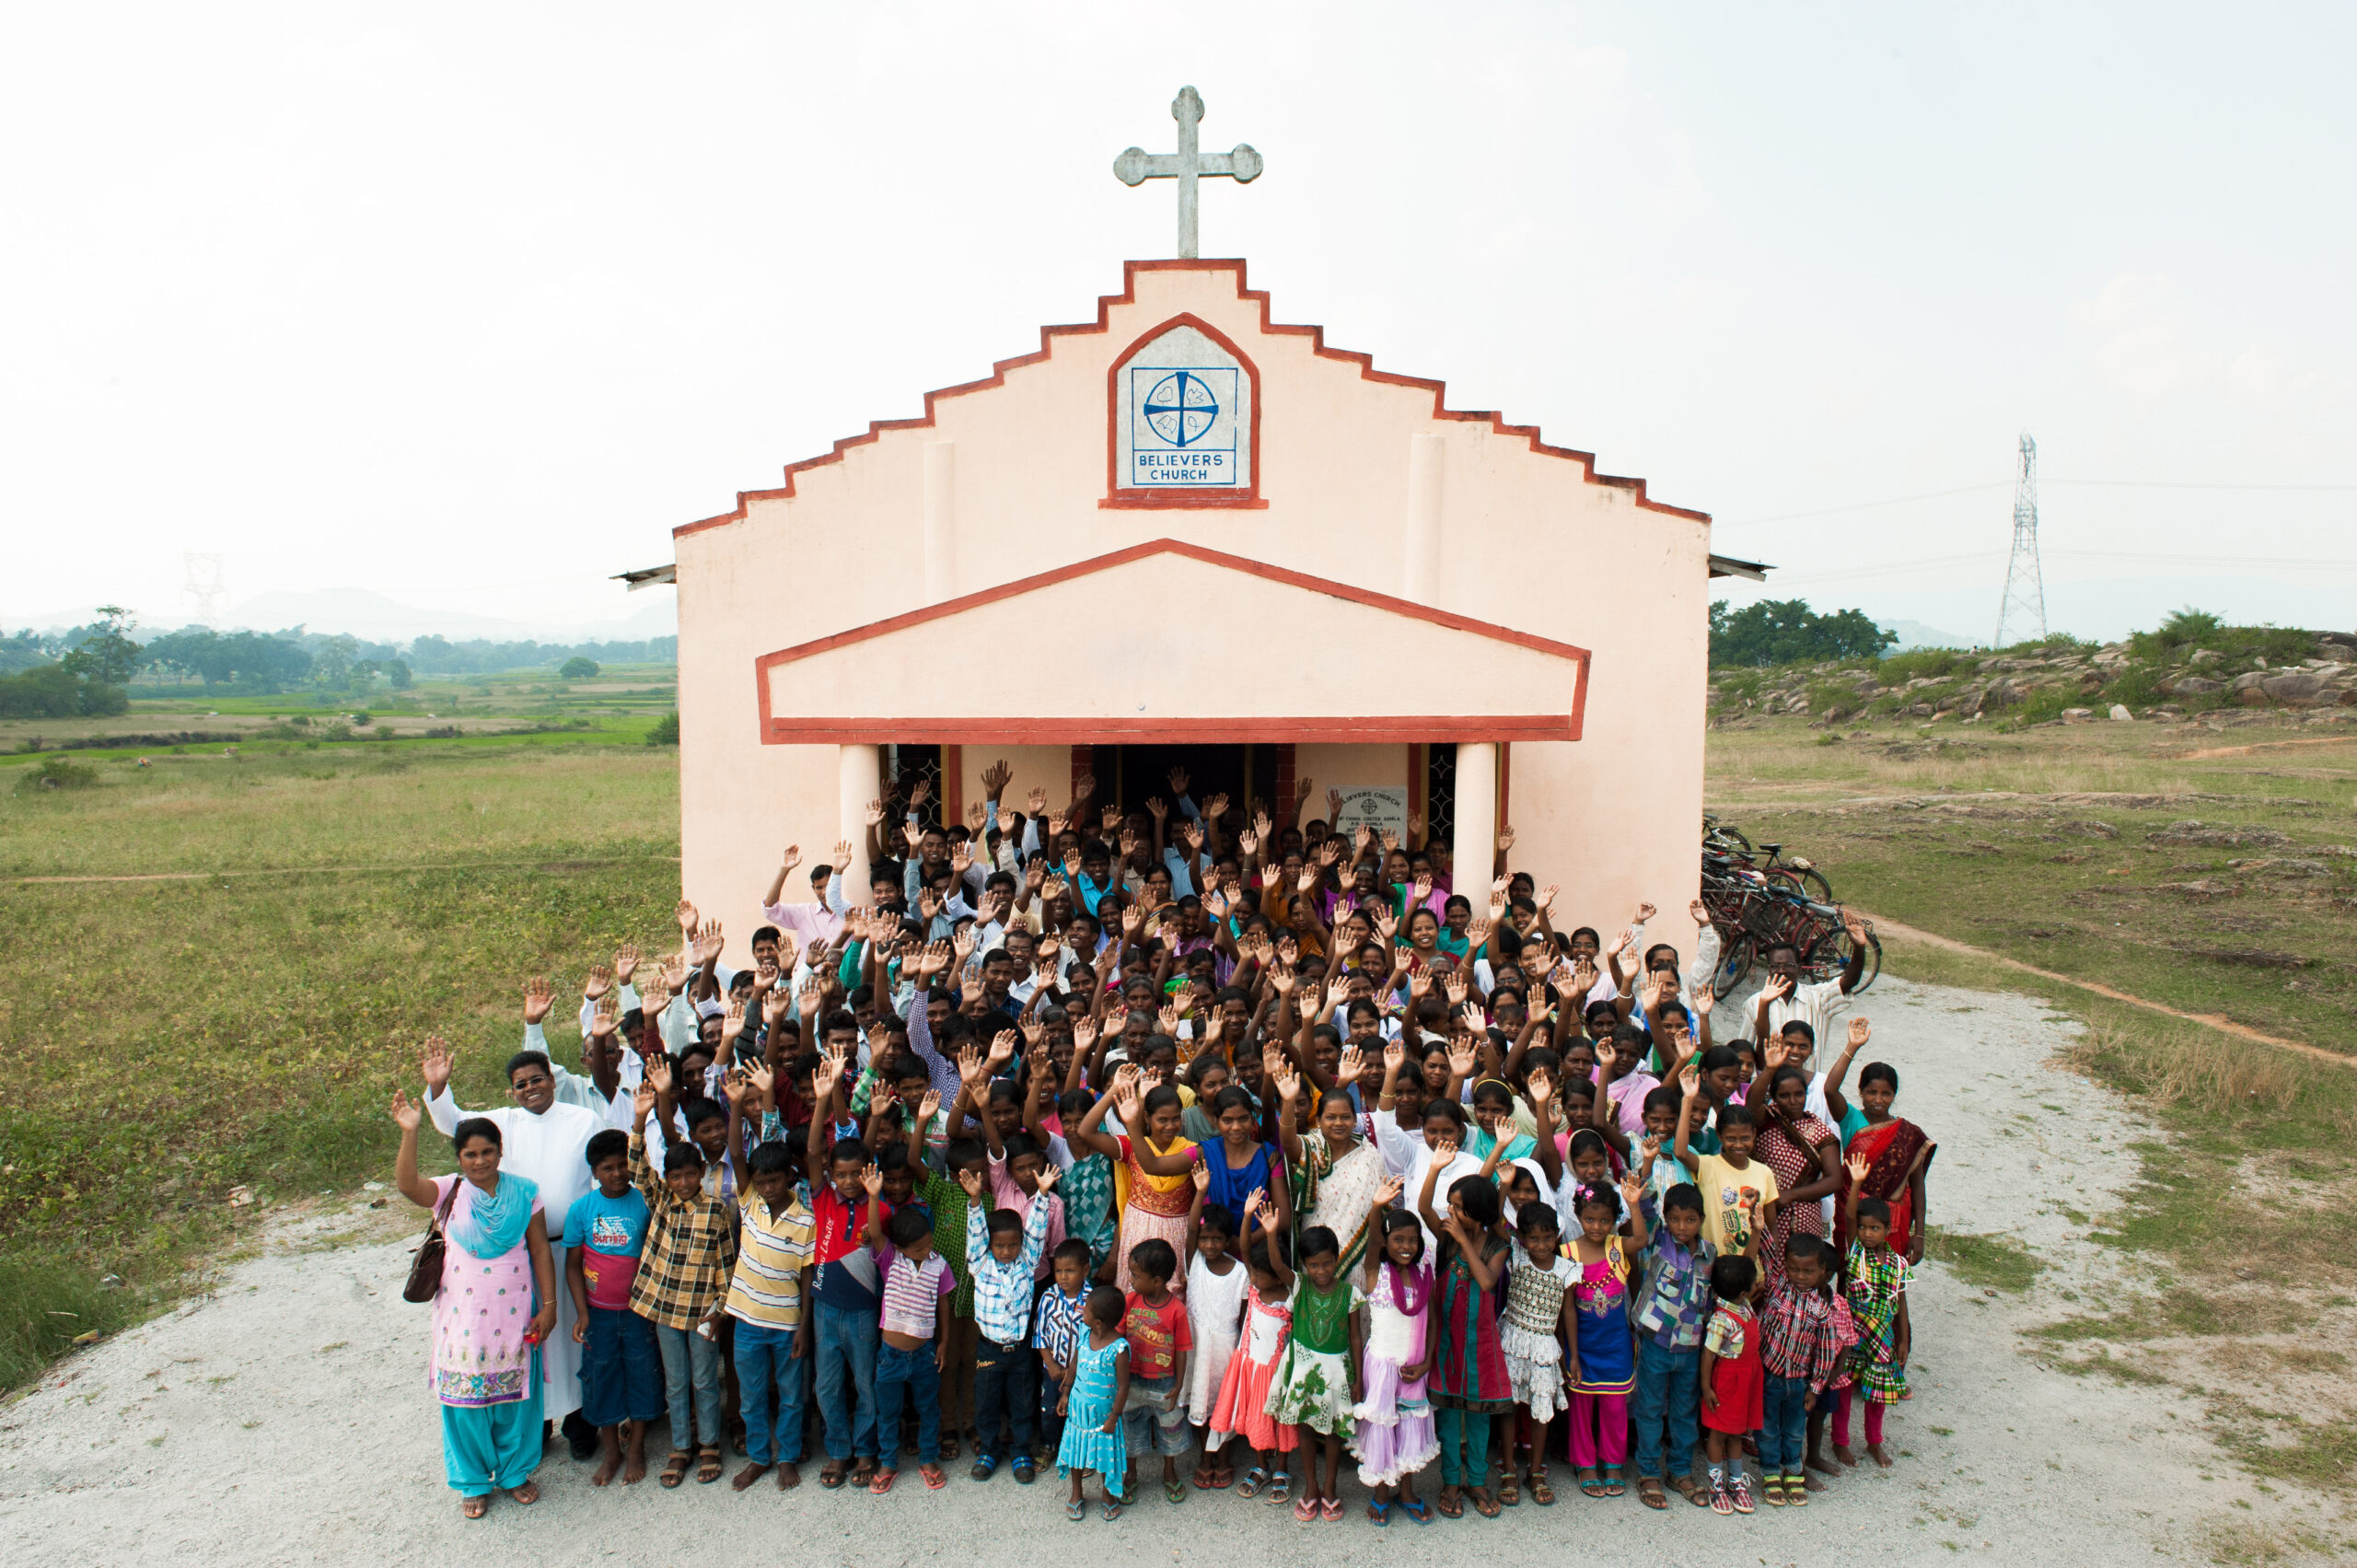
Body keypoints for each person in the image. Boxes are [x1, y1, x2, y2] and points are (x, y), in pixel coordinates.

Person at [422, 1037, 608, 1458]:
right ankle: (537, 1423)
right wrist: (437, 1086)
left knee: (577, 1338)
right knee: (533, 1337)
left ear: (552, 1080)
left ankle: (581, 1424)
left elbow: (603, 1172)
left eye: (537, 1079)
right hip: (526, 1256)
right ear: (512, 1091)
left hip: (575, 1249)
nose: (530, 1089)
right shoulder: (503, 1122)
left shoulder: (583, 1119)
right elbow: (454, 1123)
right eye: (520, 1084)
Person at [390, 1090, 554, 1518]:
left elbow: (539, 1251)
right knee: (464, 1402)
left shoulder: (525, 1192)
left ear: (501, 1152)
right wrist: (410, 1133)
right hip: (461, 1322)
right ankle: (472, 1480)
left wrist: (550, 1304)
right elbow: (408, 1186)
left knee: (516, 1400)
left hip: (516, 1312)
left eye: (487, 1152)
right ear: (459, 1158)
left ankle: (516, 1474)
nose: (480, 1161)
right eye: (470, 1154)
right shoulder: (450, 1191)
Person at [626, 1076, 737, 1487]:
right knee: (676, 1382)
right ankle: (680, 1446)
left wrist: (719, 1311)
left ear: (700, 1174)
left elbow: (725, 1266)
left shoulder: (715, 1211)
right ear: (668, 1178)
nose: (684, 1183)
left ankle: (709, 1444)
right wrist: (639, 1121)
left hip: (702, 1309)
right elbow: (638, 1168)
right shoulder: (660, 1200)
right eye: (677, 1177)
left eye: (691, 1175)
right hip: (663, 1307)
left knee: (705, 1379)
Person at [718, 1070, 814, 1492]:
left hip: (787, 1323)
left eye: (775, 1180)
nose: (768, 1187)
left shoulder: (806, 1219)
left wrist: (803, 1329)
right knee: (752, 1397)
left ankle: (788, 1457)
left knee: (793, 1396)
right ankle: (760, 1456)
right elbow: (737, 1155)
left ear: (790, 1178)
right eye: (762, 1182)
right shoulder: (751, 1201)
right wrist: (736, 1102)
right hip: (747, 1322)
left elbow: (808, 1280)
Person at [562, 1128, 662, 1487]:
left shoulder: (644, 1203)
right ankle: (611, 1451)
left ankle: (635, 1447)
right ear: (594, 1172)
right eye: (607, 1168)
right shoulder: (582, 1209)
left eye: (623, 1165)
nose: (617, 1173)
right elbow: (573, 1264)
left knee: (642, 1374)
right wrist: (583, 1312)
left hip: (638, 1311)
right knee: (600, 1377)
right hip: (599, 1314)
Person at [1418, 1150, 1512, 1519]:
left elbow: (1487, 1281)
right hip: (1445, 1340)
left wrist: (1463, 1238)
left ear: (1479, 1212)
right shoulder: (1446, 1237)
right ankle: (1450, 1482)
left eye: (1459, 1208)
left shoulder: (1496, 1245)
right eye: (1451, 1206)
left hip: (1481, 1344)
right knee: (1447, 1414)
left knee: (1478, 1415)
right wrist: (1435, 1169)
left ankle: (1477, 1480)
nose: (1451, 1214)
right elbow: (1424, 1206)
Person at [1256, 1201, 1360, 1524]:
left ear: (1336, 1259)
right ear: (1304, 1264)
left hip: (1337, 1373)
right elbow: (1276, 1263)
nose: (1321, 1271)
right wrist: (1271, 1234)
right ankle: (1311, 1488)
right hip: (1303, 1370)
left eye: (1326, 1264)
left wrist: (1358, 1379)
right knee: (1303, 1429)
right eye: (1313, 1265)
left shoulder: (1349, 1294)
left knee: (1332, 1434)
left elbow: (1356, 1338)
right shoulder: (1298, 1285)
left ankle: (1330, 1487)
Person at [962, 1161, 1058, 1483]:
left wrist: (1043, 1194)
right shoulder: (980, 1263)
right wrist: (975, 1201)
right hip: (988, 1349)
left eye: (1012, 1245)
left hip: (1019, 1352)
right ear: (989, 1244)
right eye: (1000, 1245)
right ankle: (988, 1450)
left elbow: (1035, 1228)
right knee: (987, 1403)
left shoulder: (1028, 1262)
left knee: (1022, 1403)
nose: (1006, 1250)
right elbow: (975, 1233)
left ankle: (1020, 1452)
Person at [1628, 1182, 1720, 1510]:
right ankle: (1649, 1472)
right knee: (1650, 1409)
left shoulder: (1710, 1254)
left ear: (1702, 1220)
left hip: (1691, 1346)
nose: (1682, 1227)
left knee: (1684, 1412)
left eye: (1691, 1219)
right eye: (1676, 1219)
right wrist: (1648, 1164)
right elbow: (1647, 1205)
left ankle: (1679, 1471)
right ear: (1666, 1219)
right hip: (1655, 1343)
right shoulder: (1657, 1239)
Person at [1070, 1065, 1198, 1295]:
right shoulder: (1131, 1147)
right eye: (1162, 1119)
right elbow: (1086, 1131)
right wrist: (1114, 1090)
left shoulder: (1192, 1151)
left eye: (1175, 1119)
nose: (1170, 1126)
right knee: (1133, 1297)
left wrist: (1133, 1124)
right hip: (1137, 1232)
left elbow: (1153, 1165)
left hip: (1175, 1239)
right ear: (1147, 1117)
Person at [1203, 1199, 1298, 1504]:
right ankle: (1261, 1467)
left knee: (1279, 1423)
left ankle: (1282, 1470)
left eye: (1260, 1274)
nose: (1253, 1279)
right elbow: (1244, 1246)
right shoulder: (1255, 1287)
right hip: (1249, 1369)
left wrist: (1271, 1235)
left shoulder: (1290, 1294)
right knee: (1257, 1420)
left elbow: (1280, 1267)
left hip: (1277, 1376)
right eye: (1253, 1274)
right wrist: (1247, 1216)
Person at [1349, 1197, 1436, 1524]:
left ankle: (1408, 1491)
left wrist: (1427, 1361)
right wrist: (1375, 1207)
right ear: (1385, 1242)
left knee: (1411, 1429)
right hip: (1383, 1366)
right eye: (1398, 1239)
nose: (1406, 1246)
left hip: (1414, 1367)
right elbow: (1372, 1241)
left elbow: (1432, 1321)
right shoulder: (1377, 1272)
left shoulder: (1425, 1273)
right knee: (1384, 1429)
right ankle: (1382, 1492)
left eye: (1412, 1240)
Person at [1564, 1174, 1648, 1501]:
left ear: (1615, 1221)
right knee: (1582, 1407)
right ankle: (1585, 1464)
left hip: (1615, 1346)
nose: (1597, 1227)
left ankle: (1613, 1462)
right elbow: (1568, 1310)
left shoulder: (1618, 1247)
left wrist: (1633, 1204)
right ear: (1579, 1217)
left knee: (1614, 1408)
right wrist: (1571, 1354)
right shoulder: (1568, 1252)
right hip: (1582, 1347)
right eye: (1589, 1219)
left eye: (1604, 1220)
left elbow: (1640, 1239)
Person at [1758, 1235, 1855, 1506]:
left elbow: (1825, 1353)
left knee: (1793, 1430)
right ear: (1786, 1267)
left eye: (1808, 1271)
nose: (1800, 1276)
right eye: (1794, 1269)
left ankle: (1793, 1471)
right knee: (1767, 1428)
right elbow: (1768, 1251)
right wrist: (1759, 1225)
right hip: (1769, 1376)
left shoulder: (1823, 1310)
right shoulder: (1777, 1287)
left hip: (1799, 1381)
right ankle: (1769, 1473)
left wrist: (1816, 1387)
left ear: (1822, 1272)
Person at [1280, 1044, 1389, 1274]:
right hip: (1318, 1253)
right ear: (1318, 1121)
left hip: (1362, 1255)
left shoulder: (1368, 1152)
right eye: (1331, 1117)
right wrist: (1289, 1102)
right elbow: (1289, 1144)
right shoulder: (1312, 1146)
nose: (1339, 1123)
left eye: (1345, 1117)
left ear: (1354, 1120)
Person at [870, 1202, 956, 1493]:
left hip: (924, 1354)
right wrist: (872, 1196)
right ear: (900, 1247)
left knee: (929, 1408)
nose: (926, 1250)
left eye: (929, 1243)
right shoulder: (890, 1260)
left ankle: (928, 1458)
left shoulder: (938, 1264)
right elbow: (873, 1231)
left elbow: (943, 1301)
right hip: (890, 1357)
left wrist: (943, 1341)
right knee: (888, 1412)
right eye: (919, 1248)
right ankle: (887, 1462)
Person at [1497, 1198, 1576, 1506]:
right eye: (1533, 1238)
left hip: (1544, 1345)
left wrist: (1573, 1355)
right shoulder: (1516, 1256)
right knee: (1509, 1406)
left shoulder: (1567, 1269)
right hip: (1513, 1341)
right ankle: (1507, 1468)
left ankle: (1535, 1470)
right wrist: (1503, 1186)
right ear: (1521, 1238)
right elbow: (1494, 1222)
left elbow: (1568, 1313)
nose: (1541, 1244)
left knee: (1541, 1411)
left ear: (1557, 1235)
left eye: (1547, 1237)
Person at [1838, 1154, 1914, 1469]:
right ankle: (1840, 1441)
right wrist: (1856, 1183)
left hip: (1882, 1335)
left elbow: (1902, 1304)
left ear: (1887, 1229)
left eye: (1875, 1228)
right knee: (1843, 1389)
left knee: (1876, 1394)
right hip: (1851, 1332)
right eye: (1865, 1228)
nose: (1868, 1233)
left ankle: (1874, 1442)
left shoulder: (1897, 1264)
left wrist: (1904, 1340)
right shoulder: (1855, 1251)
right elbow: (1851, 1217)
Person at [1674, 1064, 1780, 1263]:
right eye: (1731, 1138)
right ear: (1720, 1136)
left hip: (1751, 1271)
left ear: (1754, 1135)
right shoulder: (1708, 1165)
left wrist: (1772, 1268)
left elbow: (1771, 1225)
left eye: (1745, 1138)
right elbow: (1680, 1151)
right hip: (1711, 1266)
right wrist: (1688, 1099)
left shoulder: (1764, 1172)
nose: (1738, 1145)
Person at [1749, 1061, 1840, 1291]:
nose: (1793, 1101)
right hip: (1766, 1213)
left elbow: (1834, 1179)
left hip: (1804, 1215)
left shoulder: (1819, 1129)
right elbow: (1750, 1104)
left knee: (1802, 1278)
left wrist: (1790, 1195)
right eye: (1785, 1095)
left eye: (1799, 1094)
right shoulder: (1766, 1118)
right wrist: (1768, 1069)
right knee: (1764, 1276)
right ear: (1774, 1096)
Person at [1119, 1236, 1196, 1504]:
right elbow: (1117, 1341)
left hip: (1165, 1383)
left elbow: (1183, 1349)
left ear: (1157, 1282)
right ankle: (1130, 1474)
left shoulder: (1176, 1310)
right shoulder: (1130, 1302)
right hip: (1134, 1380)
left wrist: (1178, 1386)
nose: (1131, 1279)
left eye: (1136, 1275)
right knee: (1131, 1425)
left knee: (1169, 1429)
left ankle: (1169, 1471)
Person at [1835, 1061, 1936, 1263]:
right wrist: (1852, 1048)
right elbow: (1830, 1090)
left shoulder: (1907, 1134)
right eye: (1871, 1092)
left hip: (1892, 1222)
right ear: (1861, 1092)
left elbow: (1917, 1186)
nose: (1878, 1100)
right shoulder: (1851, 1119)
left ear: (1894, 1095)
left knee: (1893, 1282)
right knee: (1852, 1274)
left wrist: (1919, 1234)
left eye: (1886, 1094)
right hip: (1855, 1216)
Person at [1182, 1192, 1249, 1489]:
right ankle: (1205, 1459)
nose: (1209, 1245)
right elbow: (1192, 1229)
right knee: (1200, 1404)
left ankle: (1223, 1458)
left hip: (1225, 1349)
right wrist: (1199, 1191)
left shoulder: (1240, 1272)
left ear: (1227, 1240)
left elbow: (1244, 1318)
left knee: (1223, 1406)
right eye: (1205, 1238)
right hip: (1197, 1345)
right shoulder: (1194, 1260)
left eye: (1217, 1239)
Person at [1056, 1285, 1133, 1521]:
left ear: (1098, 1321)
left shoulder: (1119, 1349)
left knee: (1105, 1455)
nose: (1083, 1311)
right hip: (1079, 1411)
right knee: (1076, 1452)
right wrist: (1066, 1393)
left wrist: (1114, 1417)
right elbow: (1074, 1364)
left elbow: (1123, 1387)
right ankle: (1077, 1492)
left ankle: (1107, 1494)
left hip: (1104, 1416)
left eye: (1087, 1309)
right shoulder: (1083, 1333)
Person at [1698, 1252, 1764, 1515]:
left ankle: (1735, 1482)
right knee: (1719, 1433)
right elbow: (1708, 1354)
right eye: (1753, 1282)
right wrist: (1706, 1388)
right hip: (1728, 1381)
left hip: (1747, 1378)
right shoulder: (1721, 1319)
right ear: (1743, 1292)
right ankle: (1716, 1485)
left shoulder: (1743, 1305)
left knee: (1737, 1431)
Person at [1033, 1238, 1094, 1467]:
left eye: (1070, 1271)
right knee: (1049, 1408)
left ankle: (1080, 1452)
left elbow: (1092, 1339)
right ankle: (1049, 1445)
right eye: (1059, 1271)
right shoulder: (1049, 1297)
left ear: (1085, 1270)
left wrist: (1073, 1370)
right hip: (1053, 1370)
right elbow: (1039, 1334)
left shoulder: (1092, 1300)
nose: (1063, 1277)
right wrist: (1052, 1364)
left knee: (1079, 1412)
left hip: (1081, 1372)